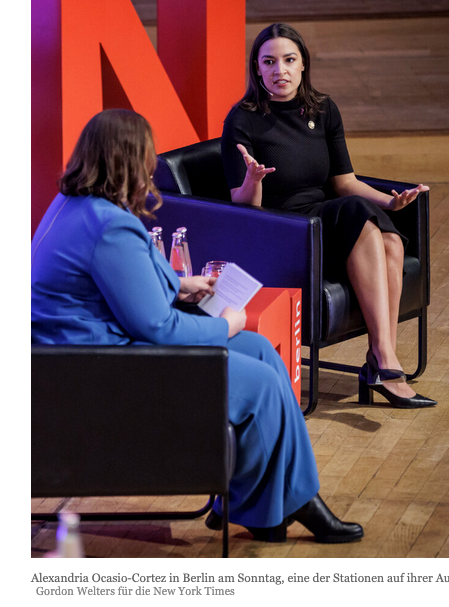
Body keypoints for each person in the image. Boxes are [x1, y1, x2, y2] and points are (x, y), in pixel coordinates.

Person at [31, 108, 363, 545]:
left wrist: (177, 284)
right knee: (262, 384)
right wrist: (224, 326)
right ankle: (294, 503)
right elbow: (159, 328)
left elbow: (115, 281)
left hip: (86, 354)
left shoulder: (74, 204)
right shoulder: (110, 226)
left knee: (261, 351)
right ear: (128, 160)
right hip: (100, 369)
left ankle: (253, 506)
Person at [221, 23, 436, 409]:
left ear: (303, 64)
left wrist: (390, 203)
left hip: (324, 219)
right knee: (357, 214)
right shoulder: (242, 119)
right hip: (284, 229)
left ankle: (382, 356)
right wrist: (253, 179)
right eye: (269, 62)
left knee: (390, 239)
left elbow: (344, 182)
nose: (280, 70)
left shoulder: (323, 110)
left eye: (289, 60)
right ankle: (384, 362)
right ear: (256, 68)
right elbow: (244, 206)